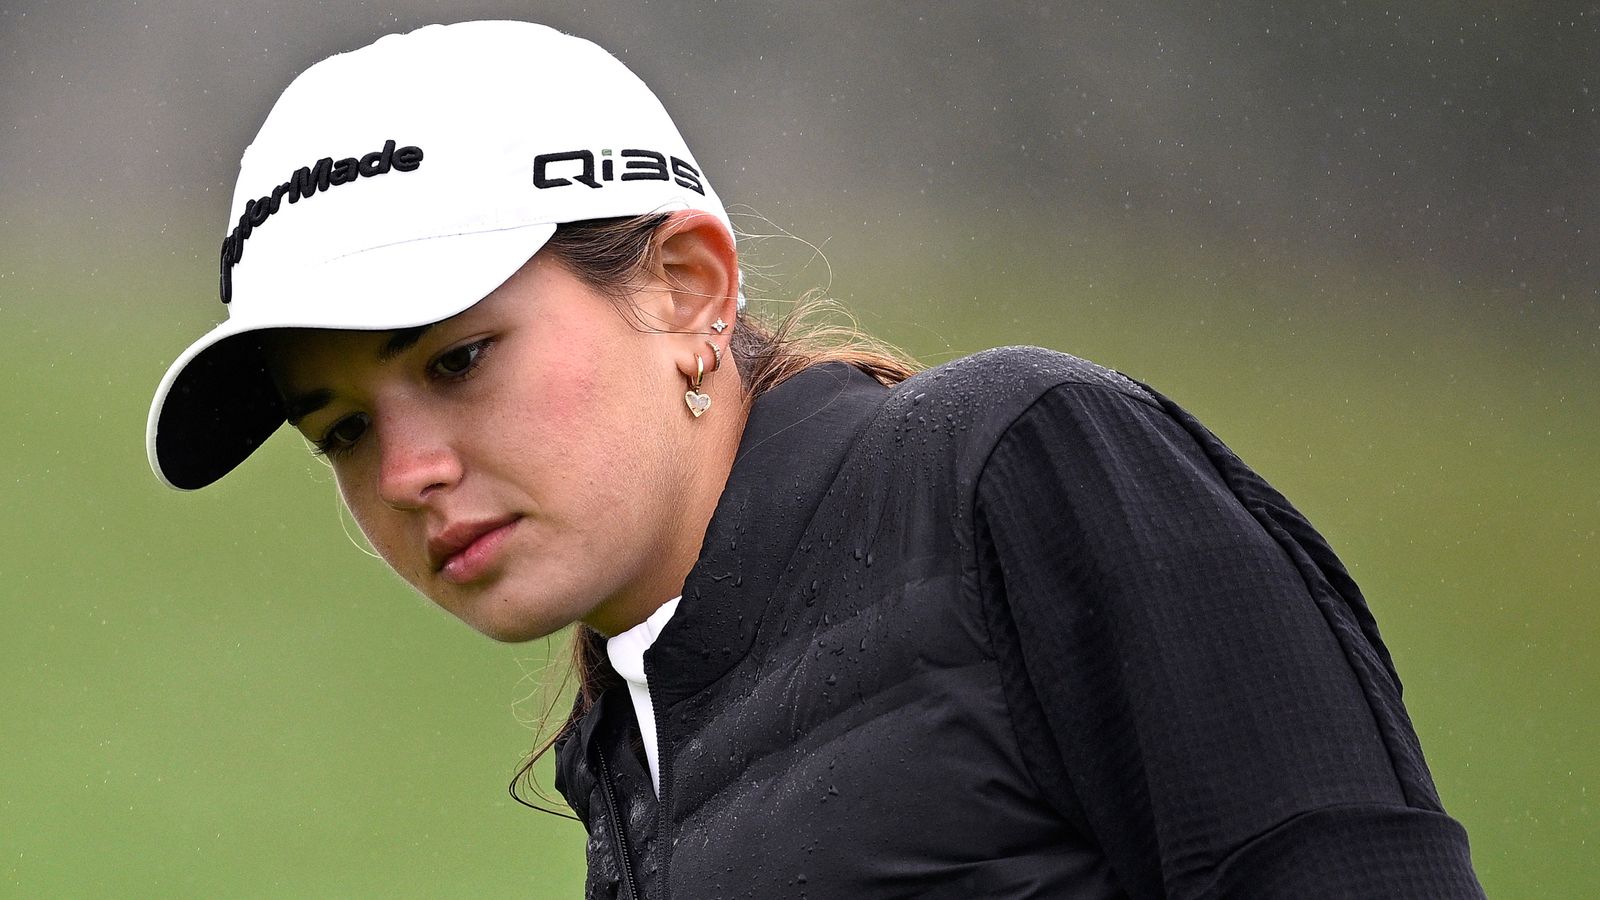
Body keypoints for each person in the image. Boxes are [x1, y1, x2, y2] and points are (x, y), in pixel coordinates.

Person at [146, 20, 1484, 899]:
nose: (407, 470)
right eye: (342, 430)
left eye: (455, 359)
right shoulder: (632, 764)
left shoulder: (1026, 469)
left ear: (684, 288)